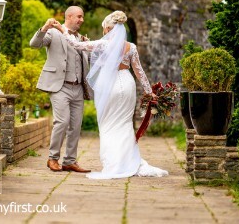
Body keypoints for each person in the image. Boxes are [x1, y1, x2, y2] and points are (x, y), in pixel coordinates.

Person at [53, 10, 168, 179]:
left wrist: (63, 31)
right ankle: (129, 161)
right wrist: (150, 93)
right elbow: (140, 73)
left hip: (111, 86)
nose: (104, 33)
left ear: (108, 29)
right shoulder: (131, 47)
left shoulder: (103, 44)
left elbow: (76, 45)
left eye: (105, 29)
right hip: (127, 85)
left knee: (108, 124)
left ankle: (114, 164)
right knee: (125, 124)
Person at [30, 6, 92, 173]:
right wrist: (44, 28)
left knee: (76, 125)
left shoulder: (81, 38)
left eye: (82, 17)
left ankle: (70, 161)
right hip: (60, 86)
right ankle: (53, 158)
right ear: (69, 16)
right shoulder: (54, 33)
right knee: (62, 121)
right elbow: (34, 44)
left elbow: (87, 62)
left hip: (78, 87)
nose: (82, 20)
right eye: (79, 16)